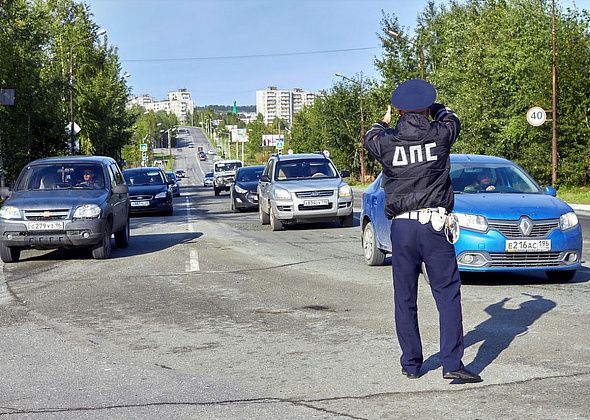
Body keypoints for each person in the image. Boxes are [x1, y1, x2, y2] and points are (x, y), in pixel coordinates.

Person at [362, 79, 482, 383]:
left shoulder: (387, 142)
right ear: (428, 108)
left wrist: (384, 120)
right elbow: (452, 119)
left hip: (401, 228)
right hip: (434, 225)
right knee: (447, 294)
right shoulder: (439, 134)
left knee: (404, 297)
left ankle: (411, 364)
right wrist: (437, 107)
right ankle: (452, 362)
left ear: (400, 109)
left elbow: (370, 136)